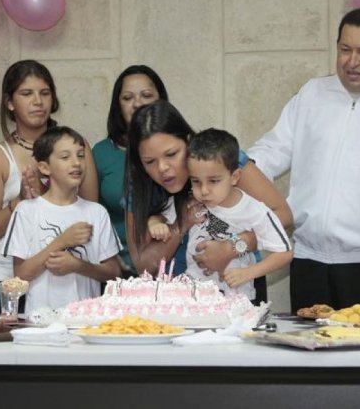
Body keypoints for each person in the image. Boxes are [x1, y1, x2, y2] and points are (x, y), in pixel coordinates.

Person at [248, 7, 360, 312]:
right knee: (309, 354)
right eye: (344, 49)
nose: (351, 61)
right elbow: (272, 151)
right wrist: (232, 170)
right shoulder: (313, 94)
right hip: (308, 260)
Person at [125, 100, 293, 294]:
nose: (162, 168)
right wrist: (182, 224)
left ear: (188, 142)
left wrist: (232, 247)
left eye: (171, 154)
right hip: (177, 297)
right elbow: (144, 265)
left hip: (236, 284)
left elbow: (283, 215)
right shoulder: (139, 185)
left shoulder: (221, 161)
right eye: (150, 161)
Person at [0, 60, 99, 310]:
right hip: (15, 283)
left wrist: (47, 196)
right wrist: (20, 203)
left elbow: (93, 214)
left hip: (71, 275)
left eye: (44, 93)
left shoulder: (78, 146)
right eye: (26, 93)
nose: (38, 101)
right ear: (10, 102)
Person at [3, 126, 121, 314]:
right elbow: (20, 276)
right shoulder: (27, 211)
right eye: (65, 157)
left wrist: (78, 265)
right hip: (40, 321)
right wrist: (61, 242)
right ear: (44, 167)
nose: (76, 163)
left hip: (86, 322)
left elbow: (114, 272)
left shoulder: (96, 213)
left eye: (80, 155)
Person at [93, 65, 168, 277]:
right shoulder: (101, 152)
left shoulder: (181, 148)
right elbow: (90, 215)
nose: (137, 104)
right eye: (127, 98)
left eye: (146, 95)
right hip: (121, 272)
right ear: (118, 105)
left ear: (160, 100)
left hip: (177, 269)